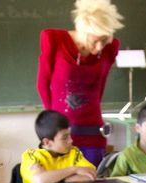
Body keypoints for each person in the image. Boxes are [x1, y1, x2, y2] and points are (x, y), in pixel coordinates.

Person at [37, 0, 125, 166]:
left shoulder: (110, 47)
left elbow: (100, 87)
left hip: (93, 132)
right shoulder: (54, 40)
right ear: (84, 30)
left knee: (92, 182)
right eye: (95, 41)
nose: (100, 47)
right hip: (60, 134)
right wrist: (53, 125)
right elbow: (42, 84)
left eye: (104, 40)